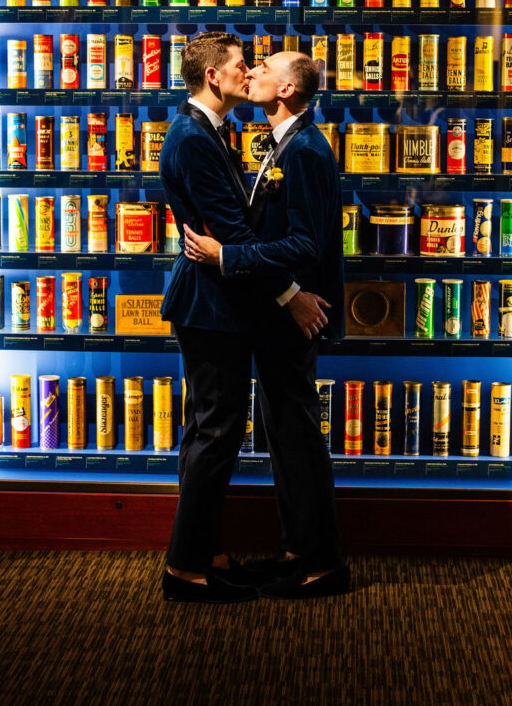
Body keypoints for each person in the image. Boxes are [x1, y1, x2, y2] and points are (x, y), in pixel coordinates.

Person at [159, 32, 328, 605]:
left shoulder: (215, 133)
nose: (247, 70)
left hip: (222, 298)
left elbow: (247, 233)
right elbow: (231, 231)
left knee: (214, 429)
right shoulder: (193, 137)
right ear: (214, 77)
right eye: (239, 64)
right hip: (209, 305)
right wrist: (287, 293)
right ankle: (188, 566)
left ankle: (207, 555)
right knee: (216, 430)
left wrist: (265, 278)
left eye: (257, 65)